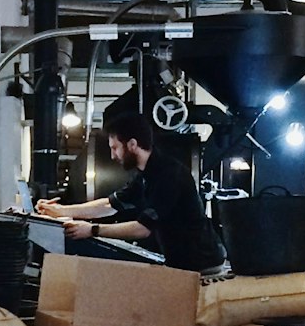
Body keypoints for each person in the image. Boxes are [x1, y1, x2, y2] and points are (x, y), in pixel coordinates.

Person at [37, 110, 227, 275]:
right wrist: (62, 211)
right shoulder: (145, 175)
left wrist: (92, 230)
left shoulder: (168, 175)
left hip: (202, 265)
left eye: (115, 148)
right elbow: (109, 205)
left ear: (132, 144)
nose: (113, 156)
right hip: (183, 263)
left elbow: (142, 229)